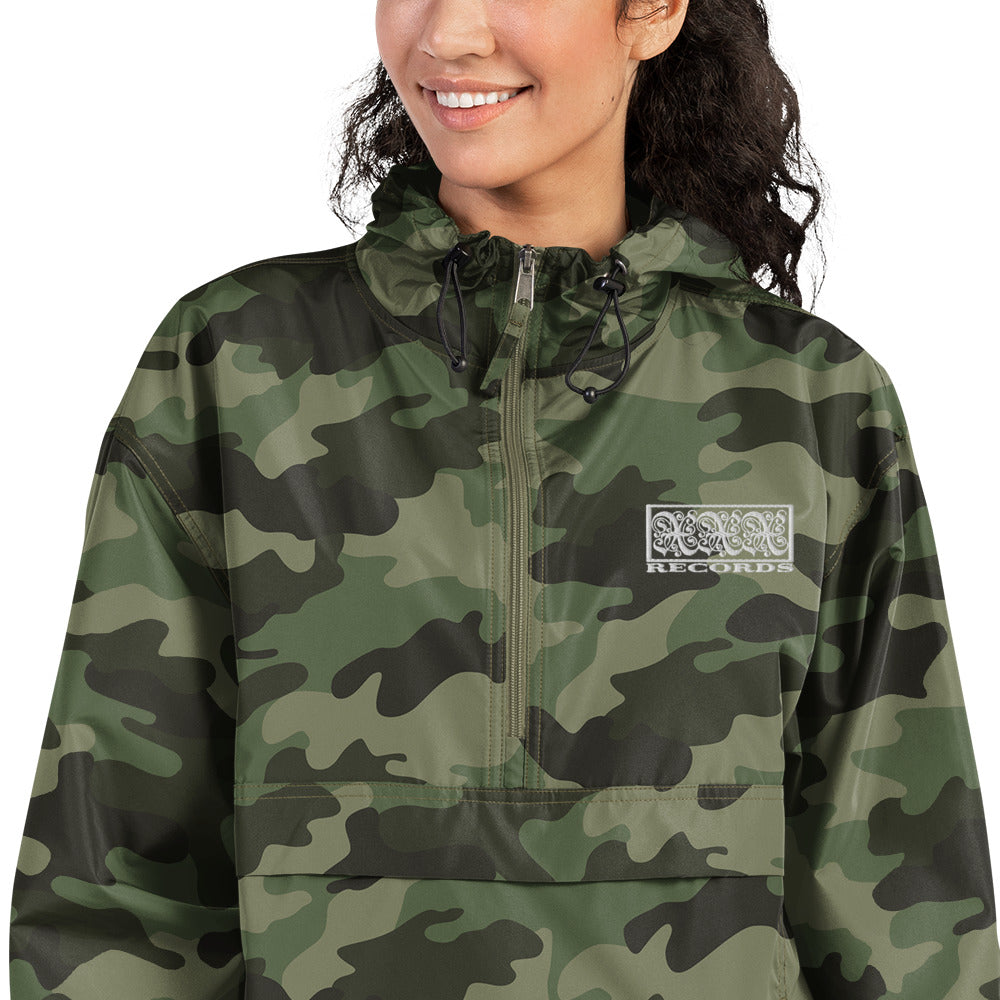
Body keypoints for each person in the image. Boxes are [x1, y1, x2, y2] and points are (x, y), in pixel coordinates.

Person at [8, 1, 1000, 998]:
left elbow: (907, 911)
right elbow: (113, 893)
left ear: (653, 11)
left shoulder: (810, 399)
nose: (448, 35)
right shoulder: (235, 363)